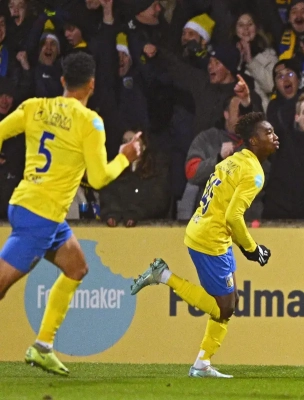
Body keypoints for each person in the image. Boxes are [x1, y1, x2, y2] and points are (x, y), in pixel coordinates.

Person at [0, 52, 141, 376]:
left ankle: (42, 347)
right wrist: (125, 156)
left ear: (62, 81)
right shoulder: (89, 122)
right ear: (92, 85)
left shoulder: (35, 107)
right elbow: (98, 178)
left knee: (77, 268)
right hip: (41, 215)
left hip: (32, 206)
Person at [130, 112, 278, 378]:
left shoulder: (233, 160)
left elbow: (224, 208)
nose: (275, 136)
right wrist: (253, 249)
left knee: (230, 301)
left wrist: (245, 246)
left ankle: (202, 364)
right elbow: (234, 216)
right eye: (268, 133)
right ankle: (163, 275)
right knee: (224, 308)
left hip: (209, 231)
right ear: (254, 140)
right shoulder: (254, 172)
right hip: (211, 239)